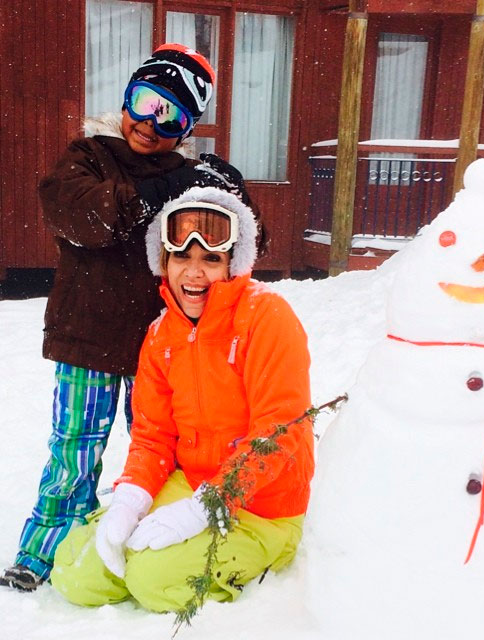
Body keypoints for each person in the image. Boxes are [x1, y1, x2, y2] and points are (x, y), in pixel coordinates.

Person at [0, 43, 251, 591]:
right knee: (74, 450)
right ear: (127, 98)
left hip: (159, 348)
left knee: (162, 452)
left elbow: (236, 246)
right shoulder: (89, 156)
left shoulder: (196, 179)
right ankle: (45, 551)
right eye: (145, 101)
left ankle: (152, 545)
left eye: (172, 115)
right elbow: (83, 216)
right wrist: (157, 189)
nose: (149, 123)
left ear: (188, 126)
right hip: (86, 338)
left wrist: (232, 198)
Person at [49, 184, 314, 612]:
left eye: (211, 259)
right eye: (182, 257)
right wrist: (132, 498)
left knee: (154, 581)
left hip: (263, 507)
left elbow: (278, 433)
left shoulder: (266, 317)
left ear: (233, 264)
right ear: (163, 261)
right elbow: (153, 437)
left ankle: (268, 557)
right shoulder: (160, 336)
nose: (194, 273)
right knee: (78, 572)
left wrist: (209, 505)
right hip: (187, 483)